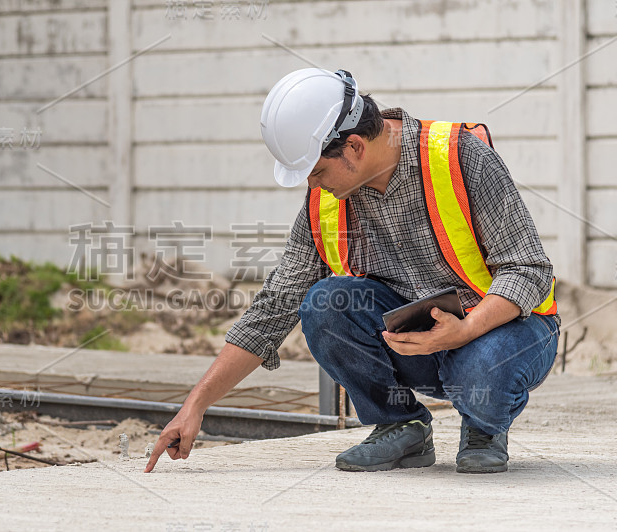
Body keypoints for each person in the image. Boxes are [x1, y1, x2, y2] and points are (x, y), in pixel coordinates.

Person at [145, 68, 559, 475]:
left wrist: (465, 331)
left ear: (355, 147)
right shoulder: (327, 200)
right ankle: (401, 425)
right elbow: (276, 306)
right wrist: (195, 405)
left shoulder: (458, 157)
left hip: (507, 334)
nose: (313, 185)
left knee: (480, 367)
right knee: (323, 303)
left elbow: (528, 268)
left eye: (318, 171)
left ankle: (484, 428)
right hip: (421, 345)